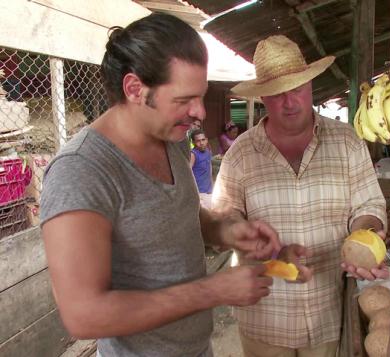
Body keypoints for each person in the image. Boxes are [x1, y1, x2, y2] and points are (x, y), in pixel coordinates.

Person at [40, 13, 283, 357]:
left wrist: (227, 230)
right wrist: (211, 291)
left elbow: (177, 213)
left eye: (201, 96)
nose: (199, 112)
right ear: (136, 89)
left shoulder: (172, 139)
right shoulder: (81, 171)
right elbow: (84, 315)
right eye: (184, 100)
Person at [213, 35, 388, 357]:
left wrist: (365, 236)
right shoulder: (240, 154)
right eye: (277, 94)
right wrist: (242, 231)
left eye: (296, 89)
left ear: (310, 86)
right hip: (264, 314)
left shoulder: (347, 142)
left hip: (327, 312)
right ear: (263, 96)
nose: (289, 102)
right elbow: (225, 214)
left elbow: (369, 205)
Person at [190, 129, 213, 209]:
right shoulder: (193, 154)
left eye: (203, 140)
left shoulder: (208, 151)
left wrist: (212, 184)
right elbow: (188, 173)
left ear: (206, 140)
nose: (202, 143)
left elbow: (209, 167)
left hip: (209, 190)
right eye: (198, 141)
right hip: (199, 192)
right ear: (193, 142)